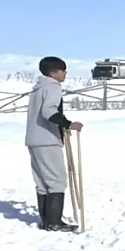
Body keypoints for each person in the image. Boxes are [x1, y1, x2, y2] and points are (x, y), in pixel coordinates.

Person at [24, 56, 83, 232]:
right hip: (47, 139)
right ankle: (55, 221)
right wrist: (67, 124)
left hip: (33, 139)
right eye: (63, 70)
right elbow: (48, 110)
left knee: (42, 182)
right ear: (53, 73)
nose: (65, 74)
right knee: (56, 180)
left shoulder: (37, 88)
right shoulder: (52, 87)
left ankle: (46, 221)